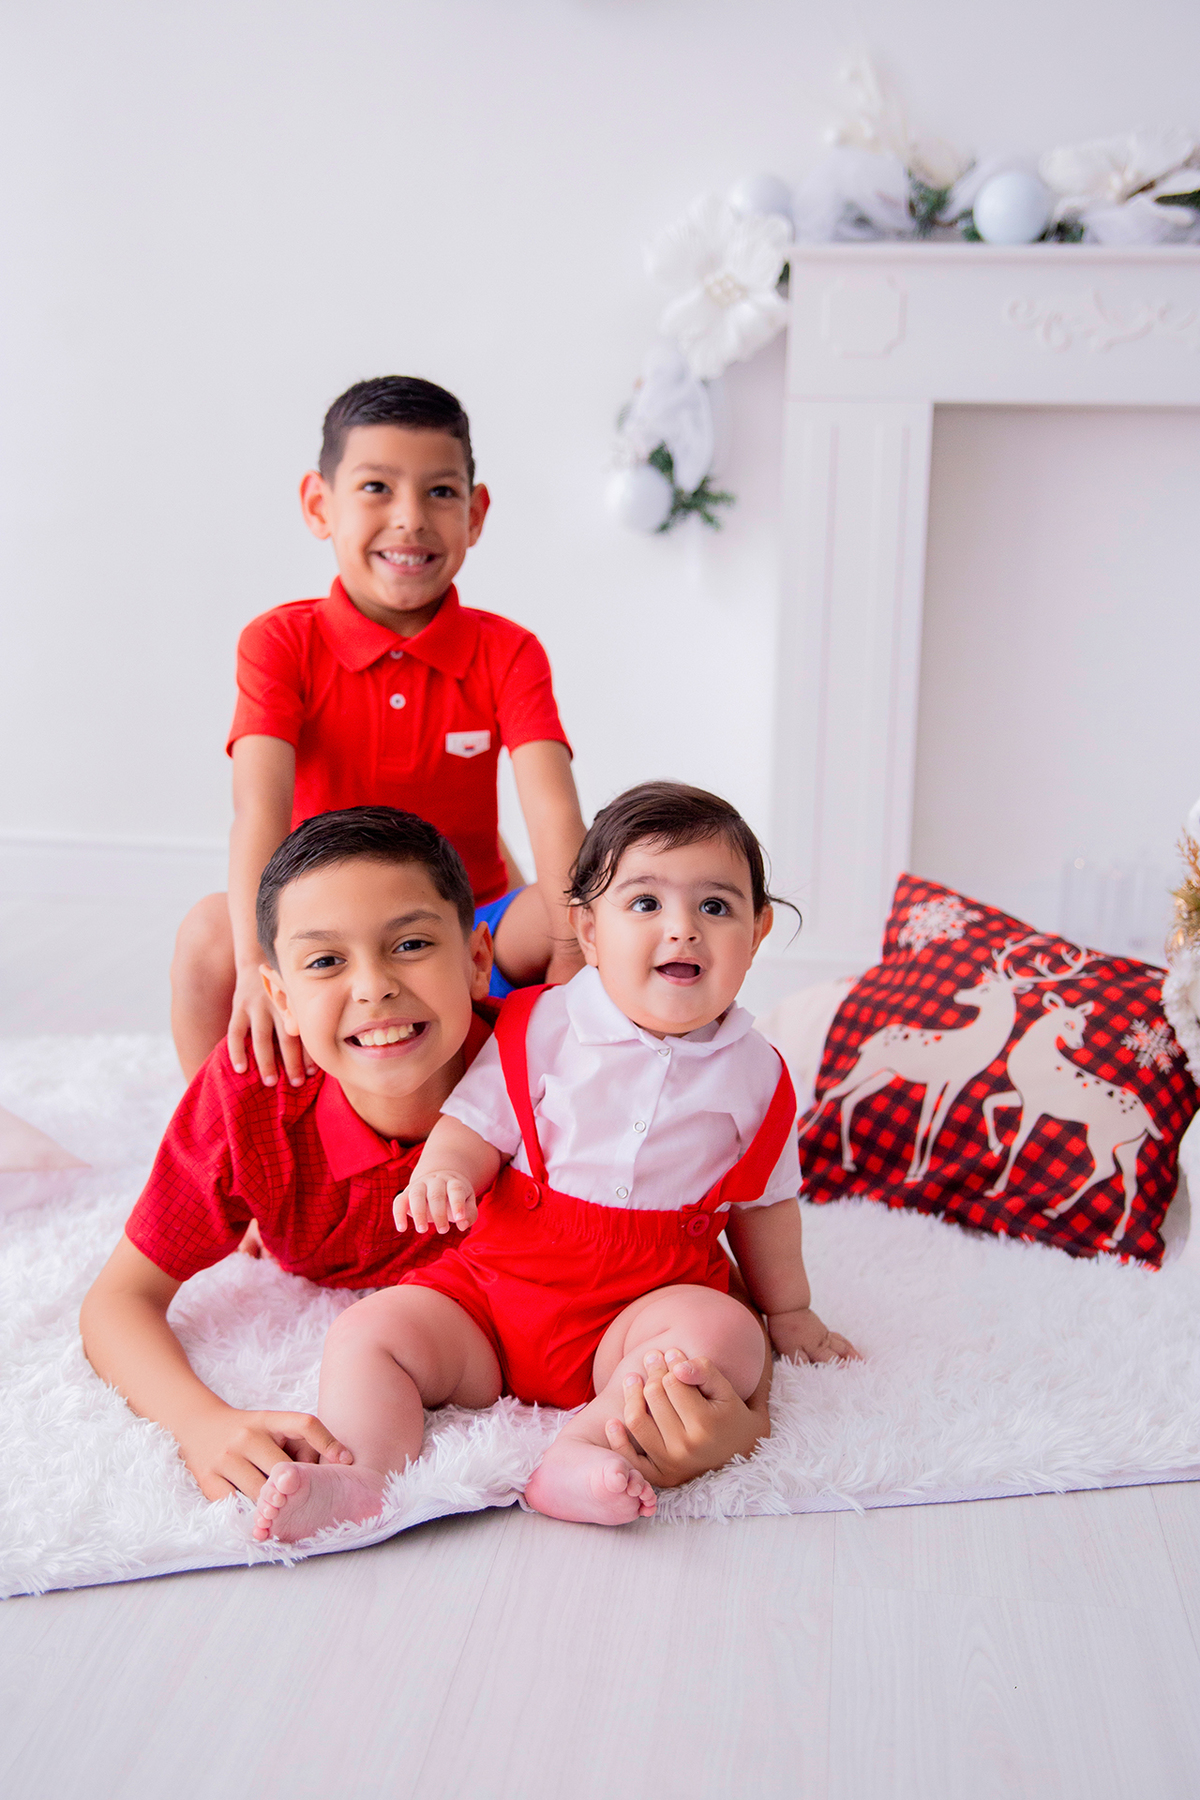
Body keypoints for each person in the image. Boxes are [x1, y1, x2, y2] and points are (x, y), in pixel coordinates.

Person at [81, 807, 771, 1506]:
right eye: (325, 961)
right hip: (440, 1328)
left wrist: (743, 1426)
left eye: (410, 944)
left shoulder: (562, 1077)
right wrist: (202, 1424)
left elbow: (704, 1274)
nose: (374, 986)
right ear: (281, 1000)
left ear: (477, 961)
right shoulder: (249, 1102)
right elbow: (119, 1302)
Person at [252, 784, 858, 1543]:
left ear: (758, 931)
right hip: (496, 1298)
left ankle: (578, 1454)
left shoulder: (758, 1074)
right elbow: (474, 1124)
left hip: (641, 1309)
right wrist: (442, 1174)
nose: (682, 931)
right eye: (644, 905)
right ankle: (366, 1475)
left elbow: (765, 1204)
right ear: (588, 930)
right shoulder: (542, 1024)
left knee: (725, 1335)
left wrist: (789, 1310)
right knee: (371, 1331)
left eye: (715, 907)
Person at [170, 375, 587, 1089]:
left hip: (469, 918)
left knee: (578, 901)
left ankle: (534, 1112)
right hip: (325, 920)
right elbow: (258, 812)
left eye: (440, 492)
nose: (410, 520)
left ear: (476, 514)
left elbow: (556, 814)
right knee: (210, 931)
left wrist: (578, 955)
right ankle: (220, 1137)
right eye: (376, 488)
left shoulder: (509, 651)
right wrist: (253, 964)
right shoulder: (279, 643)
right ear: (318, 505)